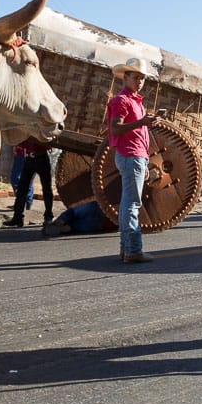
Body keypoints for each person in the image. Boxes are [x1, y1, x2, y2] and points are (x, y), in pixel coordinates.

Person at [107, 57, 159, 263]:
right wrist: (142, 122)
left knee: (128, 203)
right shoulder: (122, 100)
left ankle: (125, 248)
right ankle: (133, 250)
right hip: (130, 154)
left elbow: (136, 130)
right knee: (131, 204)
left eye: (142, 78)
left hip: (135, 156)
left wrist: (147, 123)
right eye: (135, 77)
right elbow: (115, 128)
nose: (139, 81)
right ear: (125, 77)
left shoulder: (135, 101)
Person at [3, 139, 54, 227]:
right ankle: (18, 218)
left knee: (46, 189)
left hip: (41, 158)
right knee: (22, 188)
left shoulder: (42, 127)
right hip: (29, 158)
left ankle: (48, 217)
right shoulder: (28, 128)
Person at [42, 200, 116, 237]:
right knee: (75, 224)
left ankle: (61, 222)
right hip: (102, 221)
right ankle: (66, 226)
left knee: (74, 212)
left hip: (100, 209)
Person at [10, 145, 34, 210]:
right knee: (28, 180)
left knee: (15, 179)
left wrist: (17, 146)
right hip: (28, 154)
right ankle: (28, 202)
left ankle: (21, 203)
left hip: (24, 154)